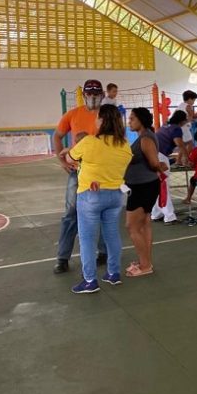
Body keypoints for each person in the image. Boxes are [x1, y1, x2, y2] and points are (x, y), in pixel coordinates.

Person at [66, 104, 133, 293]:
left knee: (87, 239)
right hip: (116, 196)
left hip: (90, 195)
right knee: (112, 235)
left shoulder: (89, 142)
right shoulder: (124, 145)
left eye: (97, 117)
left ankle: (89, 280)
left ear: (102, 120)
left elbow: (71, 158)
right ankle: (113, 273)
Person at [51, 79, 107, 274]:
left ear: (103, 95)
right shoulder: (73, 114)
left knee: (102, 212)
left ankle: (104, 252)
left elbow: (116, 142)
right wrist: (63, 161)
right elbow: (57, 135)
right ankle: (62, 257)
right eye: (89, 94)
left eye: (96, 94)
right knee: (71, 214)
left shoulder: (109, 116)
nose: (93, 97)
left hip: (101, 171)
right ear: (84, 95)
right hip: (77, 171)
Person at [124, 107, 164, 278]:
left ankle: (145, 265)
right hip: (143, 184)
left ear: (141, 119)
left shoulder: (146, 138)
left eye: (132, 118)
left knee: (132, 227)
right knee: (144, 223)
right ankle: (145, 261)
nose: (129, 121)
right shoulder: (144, 136)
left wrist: (161, 166)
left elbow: (154, 162)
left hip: (143, 186)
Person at [151, 152, 177, 224]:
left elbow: (164, 166)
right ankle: (163, 215)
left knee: (160, 196)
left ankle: (164, 215)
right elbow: (164, 165)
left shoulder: (156, 153)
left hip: (157, 176)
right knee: (159, 195)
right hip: (155, 175)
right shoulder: (154, 152)